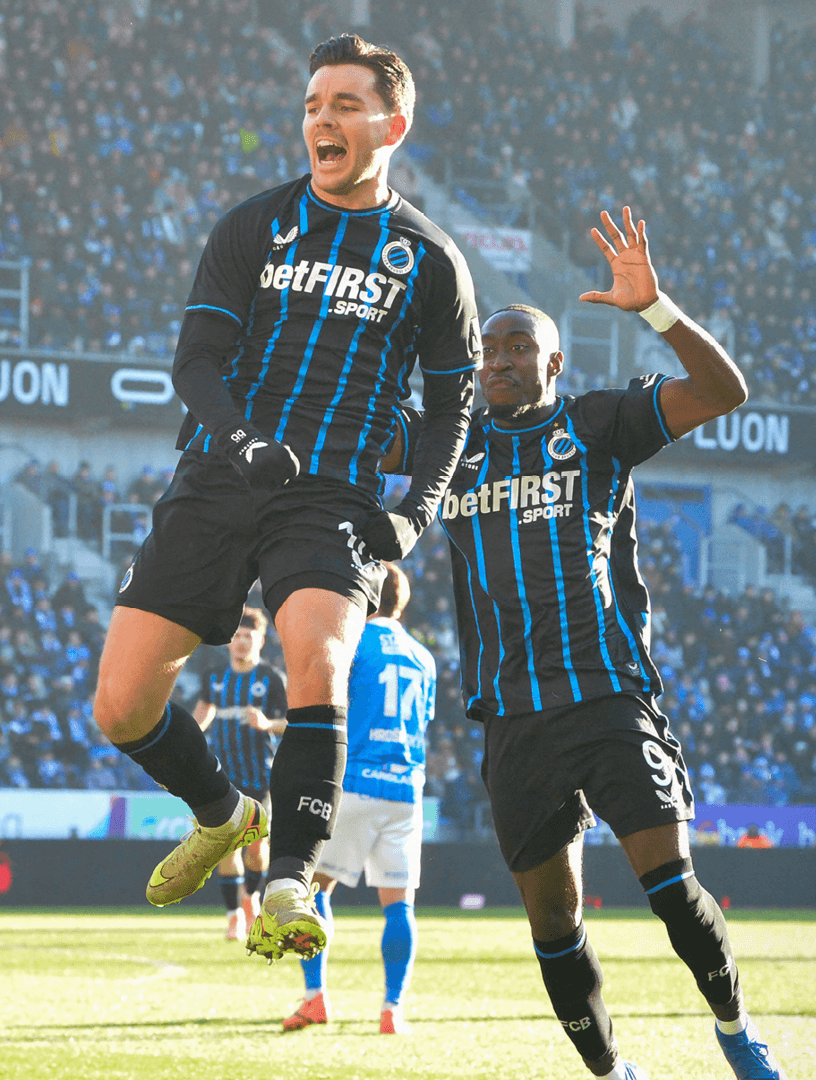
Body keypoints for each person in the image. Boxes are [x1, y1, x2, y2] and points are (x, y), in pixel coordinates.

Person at [92, 32, 477, 963]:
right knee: (121, 708)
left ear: (393, 124)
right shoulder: (253, 225)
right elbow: (196, 362)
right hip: (219, 475)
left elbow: (452, 408)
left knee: (319, 661)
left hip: (332, 496)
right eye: (312, 106)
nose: (321, 121)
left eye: (344, 104)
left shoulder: (431, 259)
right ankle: (224, 813)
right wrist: (243, 440)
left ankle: (290, 879)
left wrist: (416, 510)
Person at [409, 208, 782, 1078]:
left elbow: (723, 392)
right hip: (513, 719)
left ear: (554, 363)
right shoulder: (450, 450)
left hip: (607, 698)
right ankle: (613, 1075)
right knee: (553, 921)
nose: (498, 361)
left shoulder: (598, 424)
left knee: (672, 889)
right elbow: (341, 431)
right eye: (488, 351)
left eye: (517, 348)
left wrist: (656, 309)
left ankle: (736, 1033)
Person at [282, 562, 433, 1035]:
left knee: (315, 890)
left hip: (355, 781)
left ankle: (315, 997)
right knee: (399, 904)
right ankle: (392, 1010)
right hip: (406, 788)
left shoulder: (354, 642)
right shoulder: (424, 657)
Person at [192, 609, 288, 941]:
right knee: (225, 846)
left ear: (260, 641)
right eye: (236, 636)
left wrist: (267, 723)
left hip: (260, 776)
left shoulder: (271, 679)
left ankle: (251, 895)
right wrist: (187, 740)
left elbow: (291, 722)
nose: (241, 642)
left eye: (248, 636)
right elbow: (202, 713)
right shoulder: (214, 677)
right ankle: (234, 916)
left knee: (257, 847)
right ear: (228, 642)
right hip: (223, 778)